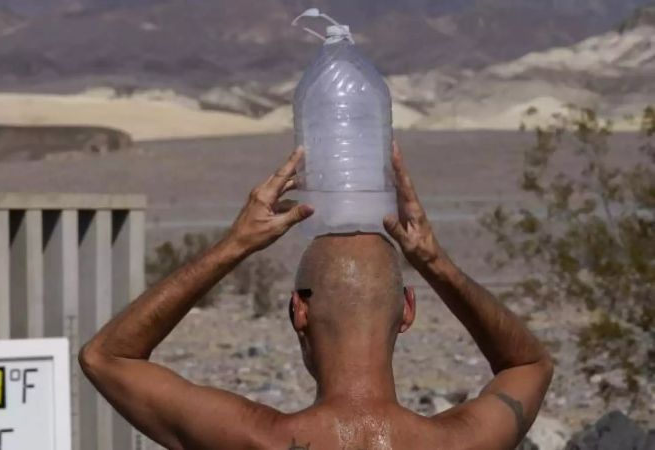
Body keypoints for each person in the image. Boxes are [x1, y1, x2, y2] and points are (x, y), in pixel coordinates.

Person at [80, 143, 553, 449]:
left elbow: (107, 357)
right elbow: (528, 366)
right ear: (407, 309)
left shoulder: (257, 439)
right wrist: (437, 264)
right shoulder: (456, 444)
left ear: (298, 310)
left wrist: (235, 245)